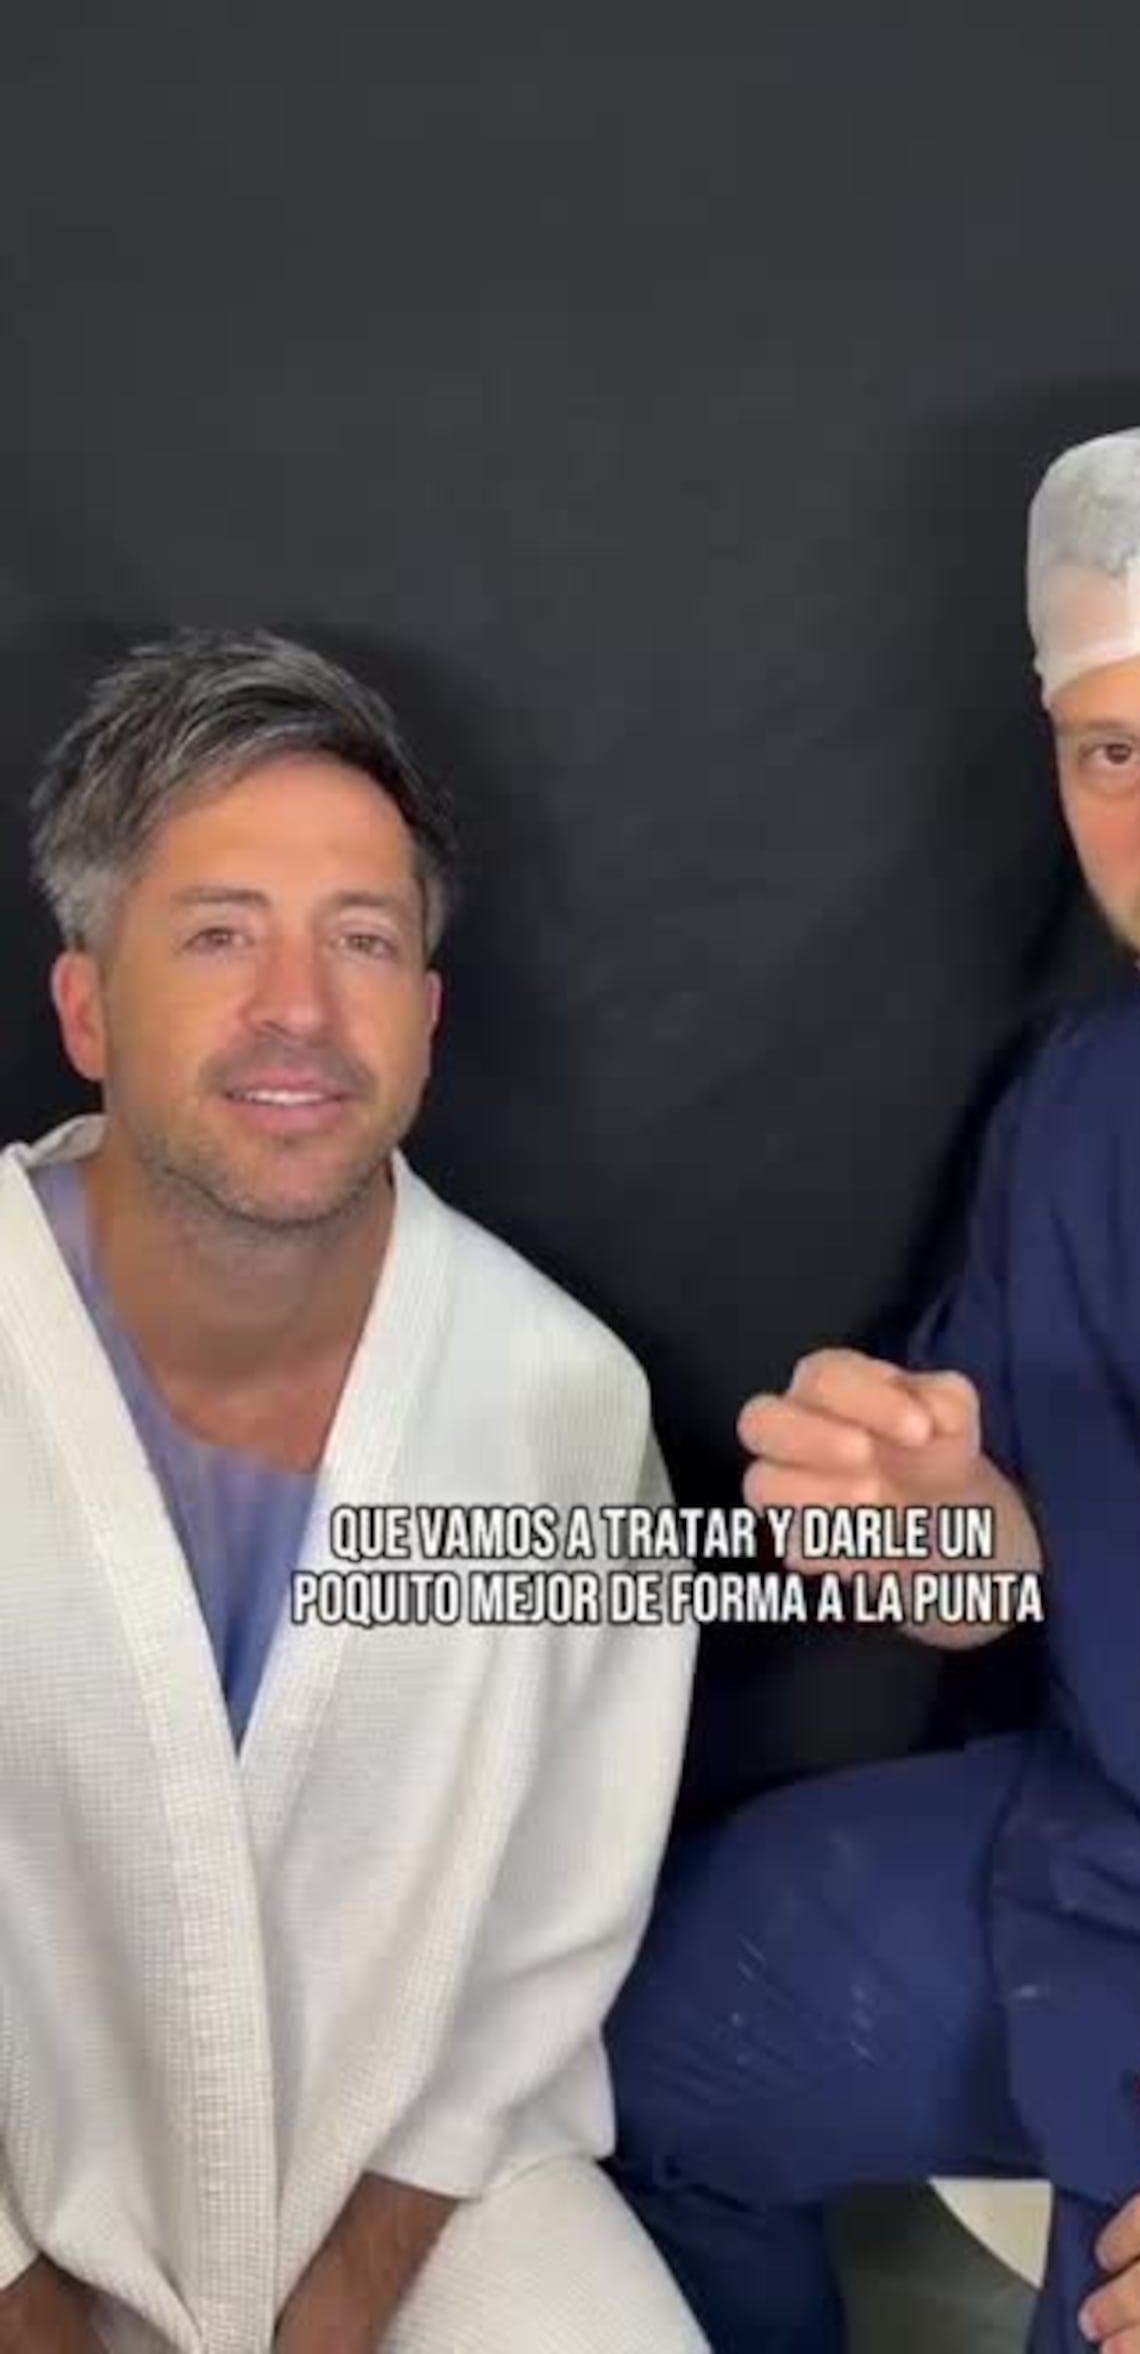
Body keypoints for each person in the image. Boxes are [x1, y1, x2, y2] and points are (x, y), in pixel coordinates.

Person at [607, 398, 1140, 2354]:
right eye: (1111, 753)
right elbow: (1012, 1569)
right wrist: (934, 1534)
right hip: (1134, 1852)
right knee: (609, 2068)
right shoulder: (1089, 1107)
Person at [0, 631, 704, 2354]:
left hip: (398, 2194)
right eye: (219, 932)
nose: (301, 1009)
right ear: (86, 1006)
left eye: (364, 940)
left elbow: (546, 1934)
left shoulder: (557, 1403)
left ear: (428, 1022)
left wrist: (335, 2311)